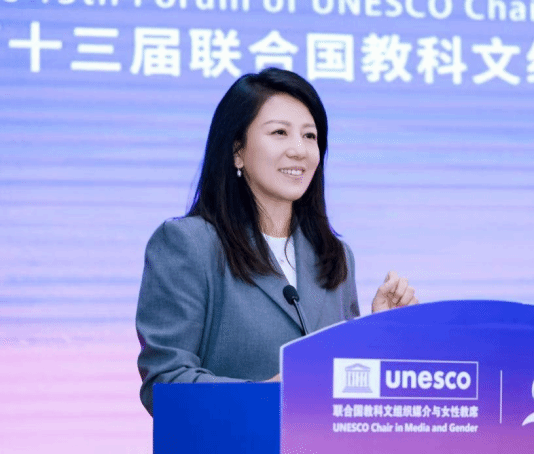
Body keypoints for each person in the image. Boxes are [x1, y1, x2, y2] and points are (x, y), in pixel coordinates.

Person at [135, 68, 418, 416]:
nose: (299, 150)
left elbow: (345, 387)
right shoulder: (189, 244)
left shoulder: (334, 256)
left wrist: (377, 333)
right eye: (280, 132)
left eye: (310, 136)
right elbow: (165, 384)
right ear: (237, 150)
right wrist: (267, 396)